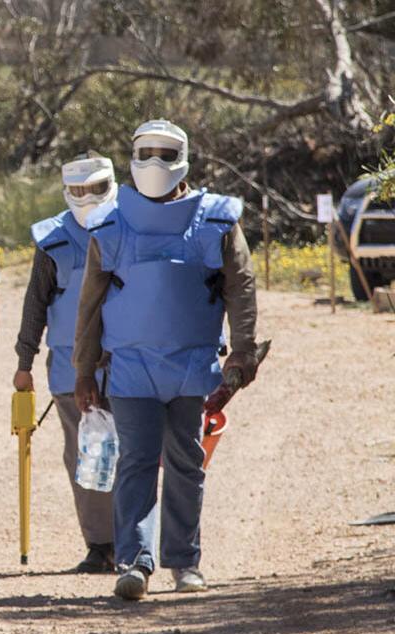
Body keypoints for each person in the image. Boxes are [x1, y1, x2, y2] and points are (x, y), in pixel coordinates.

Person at [73, 119, 259, 600]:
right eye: (146, 152)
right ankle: (135, 563)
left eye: (166, 152)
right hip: (130, 367)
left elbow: (240, 286)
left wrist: (243, 349)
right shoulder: (109, 223)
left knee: (186, 463)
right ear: (132, 158)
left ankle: (184, 563)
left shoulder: (216, 220)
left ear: (185, 159)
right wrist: (84, 370)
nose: (155, 162)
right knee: (135, 462)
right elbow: (90, 303)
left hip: (192, 365)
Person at [15, 153, 122, 573]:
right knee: (87, 453)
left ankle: (134, 540)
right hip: (68, 366)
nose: (87, 198)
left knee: (133, 453)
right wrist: (24, 361)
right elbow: (35, 303)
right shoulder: (52, 239)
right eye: (78, 190)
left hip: (130, 362)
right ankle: (101, 545)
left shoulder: (131, 227)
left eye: (96, 189)